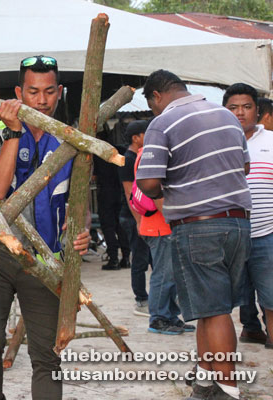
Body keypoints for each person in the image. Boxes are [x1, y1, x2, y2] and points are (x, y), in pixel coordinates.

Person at [0, 55, 90, 399]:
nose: (42, 100)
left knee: (47, 355)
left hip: (45, 261)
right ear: (18, 93)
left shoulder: (72, 141)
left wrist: (80, 230)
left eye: (49, 91)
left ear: (59, 92)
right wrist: (14, 132)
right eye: (33, 91)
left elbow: (79, 202)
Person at [137, 70, 252, 400]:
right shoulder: (225, 115)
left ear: (156, 96)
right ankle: (205, 380)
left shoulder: (164, 122)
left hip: (199, 225)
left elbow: (147, 183)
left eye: (152, 105)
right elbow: (243, 167)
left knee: (215, 311)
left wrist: (174, 183)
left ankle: (227, 390)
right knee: (207, 307)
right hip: (238, 223)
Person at [224, 84, 272, 350]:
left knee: (272, 297)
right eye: (233, 107)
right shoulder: (216, 142)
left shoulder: (271, 143)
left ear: (257, 110)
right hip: (229, 234)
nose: (240, 113)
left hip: (268, 233)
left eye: (246, 106)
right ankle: (247, 332)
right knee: (227, 301)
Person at [134, 147, 193, 335]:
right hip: (160, 226)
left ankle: (170, 316)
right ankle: (158, 318)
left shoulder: (152, 152)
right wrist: (172, 219)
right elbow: (155, 191)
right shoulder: (151, 153)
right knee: (163, 274)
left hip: (163, 225)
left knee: (172, 275)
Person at [118, 120, 151, 316]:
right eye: (146, 134)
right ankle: (141, 299)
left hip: (141, 216)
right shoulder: (127, 160)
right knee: (139, 258)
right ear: (136, 137)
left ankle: (160, 298)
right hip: (132, 216)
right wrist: (139, 221)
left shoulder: (139, 156)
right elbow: (130, 192)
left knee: (152, 257)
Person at [93, 136, 130, 270]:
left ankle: (113, 259)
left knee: (108, 226)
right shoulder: (121, 151)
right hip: (119, 191)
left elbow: (94, 176)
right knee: (120, 226)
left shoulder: (98, 155)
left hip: (105, 193)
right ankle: (126, 258)